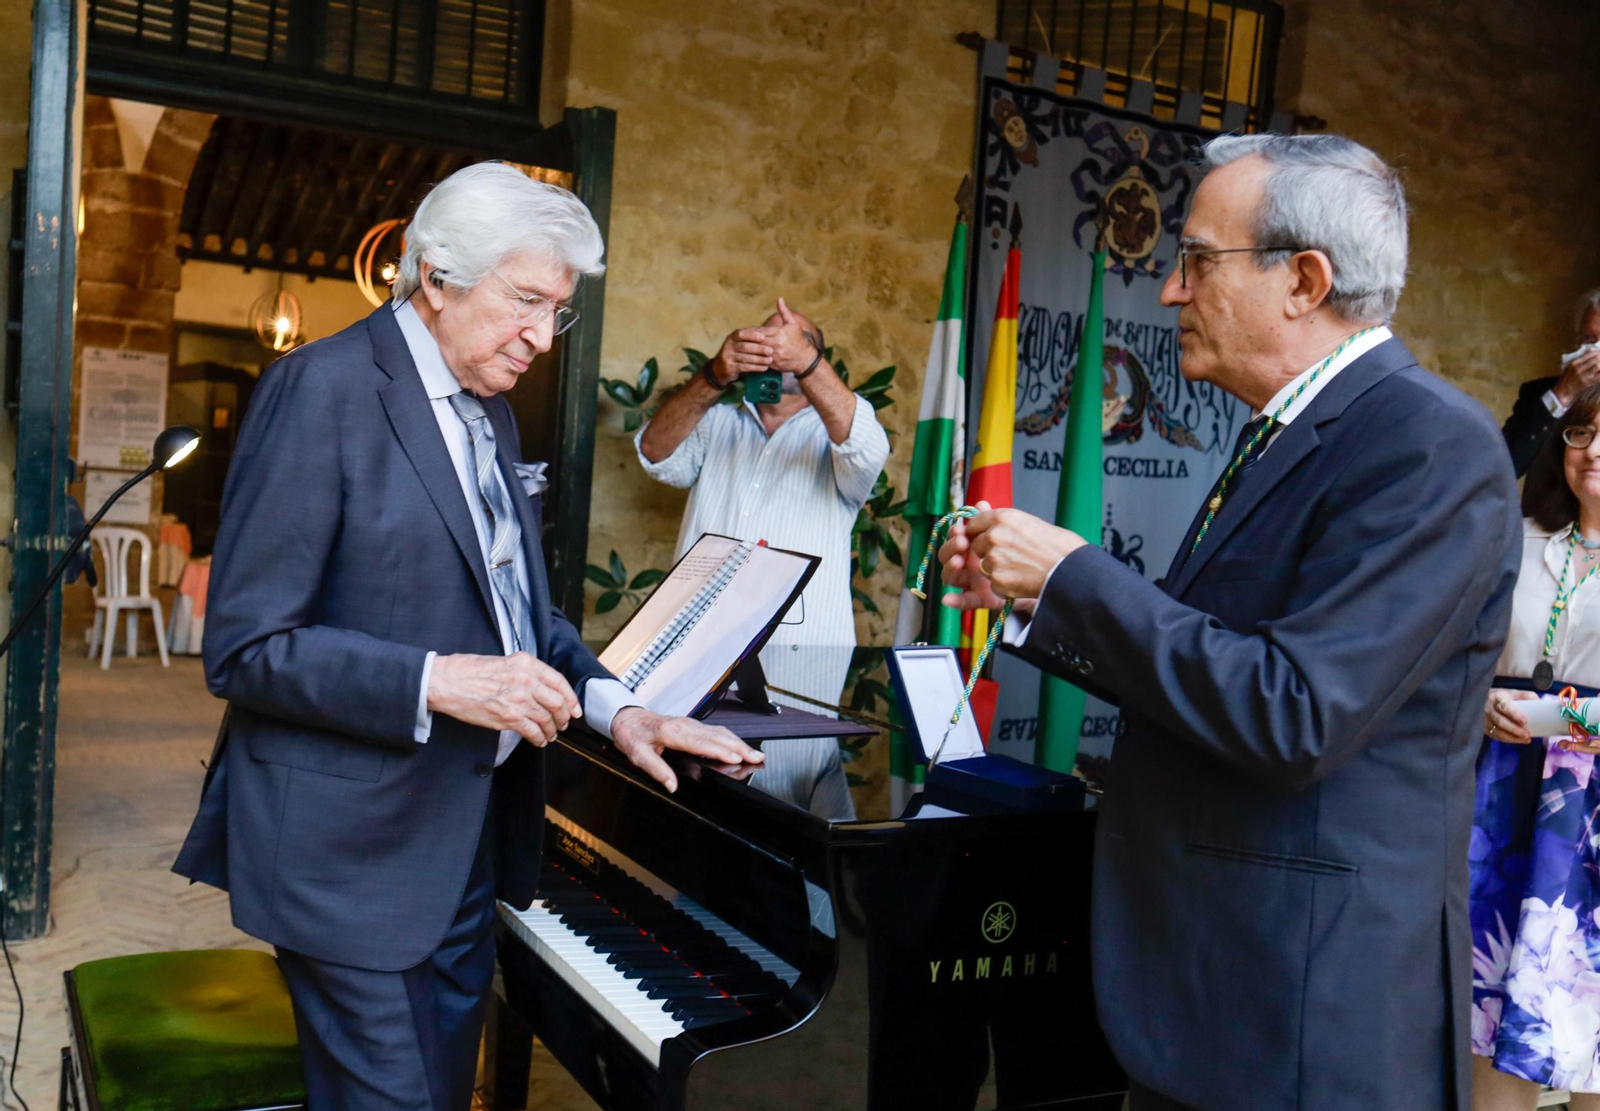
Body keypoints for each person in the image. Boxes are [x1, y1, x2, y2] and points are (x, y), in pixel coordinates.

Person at [939, 133, 1521, 1111]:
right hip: (1219, 985)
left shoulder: (1432, 447)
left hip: (1301, 1013)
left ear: (1302, 279)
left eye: (1197, 259)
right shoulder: (1293, 431)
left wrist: (1077, 574)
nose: (1170, 289)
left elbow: (1294, 711)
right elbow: (1214, 662)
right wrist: (1041, 600)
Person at [172, 162, 763, 1110]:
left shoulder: (486, 404)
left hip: (464, 849)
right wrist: (438, 680)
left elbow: (523, 617)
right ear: (437, 277)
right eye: (526, 299)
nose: (541, 336)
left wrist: (622, 712)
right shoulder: (319, 389)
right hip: (346, 858)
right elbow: (246, 646)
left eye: (557, 309)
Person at [635, 300, 889, 709]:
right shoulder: (715, 421)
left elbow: (865, 451)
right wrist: (716, 373)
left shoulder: (839, 433)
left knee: (791, 766)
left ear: (817, 356)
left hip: (800, 647)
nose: (779, 345)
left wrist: (806, 362)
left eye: (796, 339)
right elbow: (655, 454)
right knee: (684, 761)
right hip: (695, 635)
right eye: (767, 336)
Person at [1473, 384, 1600, 1109]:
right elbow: (1457, 649)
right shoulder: (1513, 536)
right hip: (1499, 799)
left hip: (1588, 816)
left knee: (1592, 1036)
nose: (1594, 451)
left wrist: (1556, 721)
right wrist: (1479, 695)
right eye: (1581, 432)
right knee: (1490, 1022)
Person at [1501, 289, 1600, 476]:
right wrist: (1562, 395)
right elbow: (1505, 466)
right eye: (1590, 339)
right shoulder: (1539, 393)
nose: (1596, 351)